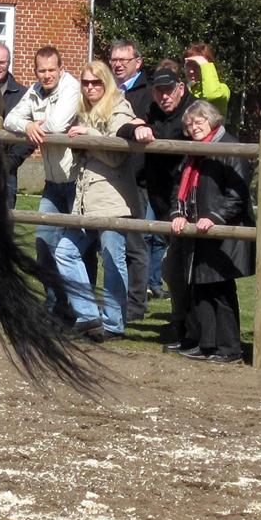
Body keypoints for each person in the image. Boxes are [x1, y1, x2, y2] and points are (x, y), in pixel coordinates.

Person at [53, 60, 138, 341]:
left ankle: (114, 324)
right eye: (86, 83)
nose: (90, 88)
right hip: (85, 199)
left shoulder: (119, 108)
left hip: (112, 198)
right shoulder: (84, 111)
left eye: (96, 82)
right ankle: (89, 316)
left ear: (107, 83)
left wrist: (88, 136)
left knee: (114, 260)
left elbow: (117, 154)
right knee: (65, 251)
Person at [165, 100, 254, 363]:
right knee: (199, 285)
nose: (194, 128)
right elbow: (177, 189)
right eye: (189, 124)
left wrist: (215, 217)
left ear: (212, 120)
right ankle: (204, 342)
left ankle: (229, 348)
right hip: (196, 229)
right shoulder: (193, 152)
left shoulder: (230, 147)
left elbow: (237, 193)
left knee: (220, 289)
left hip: (223, 232)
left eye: (199, 121)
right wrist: (177, 213)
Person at [4, 46, 81, 318]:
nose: (46, 75)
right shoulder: (35, 90)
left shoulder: (71, 87)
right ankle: (55, 305)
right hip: (52, 181)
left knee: (77, 248)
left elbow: (59, 124)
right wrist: (26, 127)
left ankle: (81, 311)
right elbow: (10, 118)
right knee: (44, 243)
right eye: (41, 70)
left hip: (75, 180)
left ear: (61, 68)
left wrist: (34, 123)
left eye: (51, 70)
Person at [119, 64, 193, 341]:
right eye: (159, 91)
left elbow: (184, 137)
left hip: (188, 198)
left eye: (169, 90)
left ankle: (188, 324)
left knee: (183, 265)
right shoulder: (152, 111)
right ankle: (181, 322)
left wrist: (151, 133)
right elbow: (124, 129)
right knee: (172, 265)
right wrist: (136, 126)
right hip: (161, 196)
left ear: (181, 89)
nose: (164, 96)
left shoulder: (192, 110)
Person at [109, 40, 150, 321]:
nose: (118, 64)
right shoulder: (108, 90)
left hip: (136, 175)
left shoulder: (146, 93)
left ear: (138, 61)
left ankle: (136, 304)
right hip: (110, 175)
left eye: (124, 59)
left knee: (134, 244)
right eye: (114, 59)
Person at [0, 41, 30, 208]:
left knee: (3, 224)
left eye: (2, 62)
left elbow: (27, 137)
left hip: (6, 172)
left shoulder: (22, 95)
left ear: (8, 63)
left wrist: (7, 164)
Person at [182, 42, 230, 118]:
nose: (191, 71)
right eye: (188, 65)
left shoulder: (222, 89)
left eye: (196, 66)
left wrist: (204, 63)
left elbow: (211, 95)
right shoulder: (185, 89)